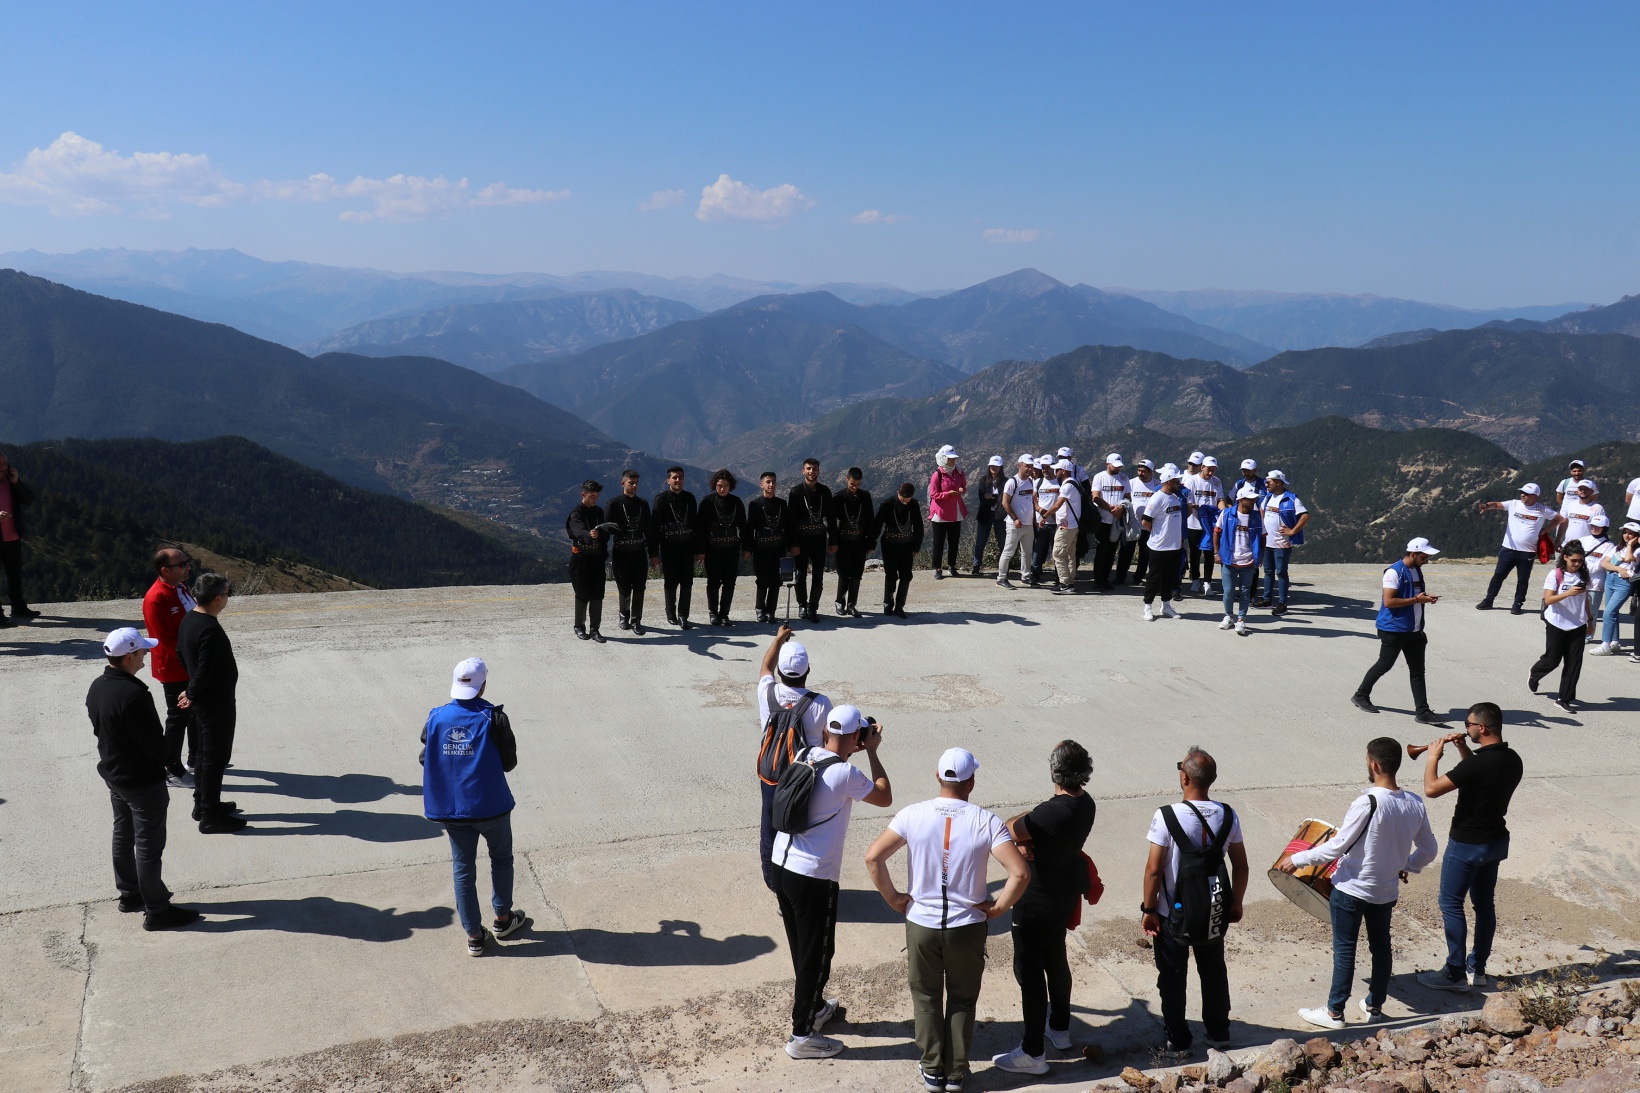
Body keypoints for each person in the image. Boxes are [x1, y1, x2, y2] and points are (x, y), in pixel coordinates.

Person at [865, 748, 1030, 1092]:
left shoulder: (912, 814)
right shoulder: (986, 821)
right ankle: (955, 1073)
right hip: (966, 926)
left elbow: (873, 858)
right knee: (962, 998)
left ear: (938, 776)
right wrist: (998, 908)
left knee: (925, 996)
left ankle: (931, 1069)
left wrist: (895, 899)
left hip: (921, 924)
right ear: (971, 781)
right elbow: (1020, 874)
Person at [1279, 736, 1437, 1028]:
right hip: (1386, 891)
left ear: (1374, 764)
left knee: (1345, 949)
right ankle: (1374, 1006)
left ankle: (1334, 1012)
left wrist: (1298, 860)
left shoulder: (1367, 803)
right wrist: (1406, 865)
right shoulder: (1414, 803)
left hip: (1351, 889)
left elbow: (1337, 847)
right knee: (1381, 948)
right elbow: (1429, 850)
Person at [772, 704, 893, 1060]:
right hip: (812, 876)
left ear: (826, 730)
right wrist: (871, 751)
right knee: (818, 955)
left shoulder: (806, 753)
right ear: (857, 736)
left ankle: (817, 1007)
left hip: (782, 865)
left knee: (803, 947)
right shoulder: (846, 773)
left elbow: (833, 752)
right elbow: (884, 796)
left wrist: (852, 743)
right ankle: (802, 1035)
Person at [992, 741, 1097, 1076]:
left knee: (1029, 973)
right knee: (1056, 960)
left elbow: (1007, 827)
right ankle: (1060, 1029)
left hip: (1035, 901)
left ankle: (1033, 1052)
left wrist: (1022, 836)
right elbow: (1026, 830)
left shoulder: (1052, 811)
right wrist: (1026, 837)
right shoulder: (1086, 804)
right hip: (1062, 896)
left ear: (1054, 771)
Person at [87, 627, 201, 931]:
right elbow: (156, 745)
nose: (146, 655)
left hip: (114, 777)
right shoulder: (135, 695)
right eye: (142, 651)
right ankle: (158, 910)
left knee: (123, 836)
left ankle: (130, 894)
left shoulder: (98, 686)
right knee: (149, 847)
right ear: (129, 657)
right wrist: (171, 754)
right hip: (142, 783)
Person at [1141, 747, 1248, 1055]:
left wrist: (1149, 910)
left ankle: (1177, 1038)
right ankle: (1218, 1033)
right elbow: (1241, 866)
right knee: (1214, 972)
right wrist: (1235, 903)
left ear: (1183, 777)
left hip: (1170, 914)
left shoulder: (1166, 816)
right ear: (1212, 780)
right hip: (1214, 909)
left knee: (1173, 977)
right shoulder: (1228, 814)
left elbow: (1153, 869)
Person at [421, 657, 525, 957]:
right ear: (483, 686)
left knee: (463, 869)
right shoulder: (493, 717)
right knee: (501, 859)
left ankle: (474, 936)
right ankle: (503, 919)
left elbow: (425, 757)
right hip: (492, 807)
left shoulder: (436, 717)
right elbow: (509, 763)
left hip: (453, 811)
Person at [1418, 701, 1523, 991]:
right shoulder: (1513, 759)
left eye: (1469, 725)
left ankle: (1453, 972)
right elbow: (1475, 775)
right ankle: (1477, 969)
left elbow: (1432, 789)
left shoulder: (1478, 765)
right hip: (1495, 842)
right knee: (1484, 905)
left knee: (1451, 903)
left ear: (1482, 728)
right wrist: (1463, 749)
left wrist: (1432, 758)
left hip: (1466, 843)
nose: (1466, 729)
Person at [756, 626, 834, 892]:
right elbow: (829, 739)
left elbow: (765, 666)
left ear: (780, 672)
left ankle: (775, 887)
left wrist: (778, 639)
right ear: (807, 670)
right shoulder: (821, 703)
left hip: (772, 776)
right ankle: (797, 884)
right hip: (803, 779)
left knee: (770, 831)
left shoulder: (767, 692)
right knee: (800, 834)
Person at [176, 572, 246, 834]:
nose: (228, 598)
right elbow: (205, 669)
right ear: (217, 598)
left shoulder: (189, 619)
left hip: (203, 701)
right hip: (215, 704)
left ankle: (204, 804)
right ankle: (210, 817)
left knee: (205, 755)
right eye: (227, 594)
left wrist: (191, 687)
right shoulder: (210, 629)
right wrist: (193, 691)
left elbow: (180, 653)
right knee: (215, 758)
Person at [1352, 538, 1448, 724]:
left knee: (1418, 672)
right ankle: (1360, 695)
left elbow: (1413, 595)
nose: (1426, 560)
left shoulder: (1416, 570)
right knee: (1384, 665)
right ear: (1413, 554)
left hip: (1414, 631)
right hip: (1393, 630)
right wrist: (1417, 600)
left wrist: (1425, 597)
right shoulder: (1393, 573)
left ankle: (1422, 712)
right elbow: (1389, 601)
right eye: (1424, 556)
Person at [142, 548, 198, 786]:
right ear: (165, 570)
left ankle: (197, 758)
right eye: (182, 564)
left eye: (187, 562)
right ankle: (171, 768)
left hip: (191, 664)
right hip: (175, 668)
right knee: (178, 717)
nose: (187, 567)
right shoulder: (156, 598)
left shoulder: (180, 588)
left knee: (196, 712)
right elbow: (165, 640)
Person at [1475, 484, 1561, 614]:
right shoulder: (1514, 504)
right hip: (1508, 549)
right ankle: (1489, 600)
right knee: (1498, 576)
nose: (1522, 495)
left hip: (1528, 551)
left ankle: (1517, 604)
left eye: (1526, 493)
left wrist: (1546, 530)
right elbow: (1497, 505)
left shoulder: (1542, 510)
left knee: (1522, 580)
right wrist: (1487, 506)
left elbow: (1560, 519)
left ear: (1535, 496)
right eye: (1522, 492)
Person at [1529, 540, 1590, 713]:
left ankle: (1564, 698)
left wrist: (1589, 620)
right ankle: (1535, 672)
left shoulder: (1584, 575)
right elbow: (1548, 599)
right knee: (1552, 660)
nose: (1577, 564)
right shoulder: (1555, 574)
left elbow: (1585, 599)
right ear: (1565, 558)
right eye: (1574, 561)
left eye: (1580, 561)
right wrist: (1568, 593)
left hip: (1577, 624)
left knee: (1574, 663)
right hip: (1556, 622)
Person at [606, 470, 653, 635]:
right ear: (622, 484)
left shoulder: (643, 504)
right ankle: (623, 617)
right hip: (621, 552)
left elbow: (649, 529)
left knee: (640, 587)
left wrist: (654, 554)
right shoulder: (613, 504)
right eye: (631, 482)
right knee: (624, 587)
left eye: (636, 483)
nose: (634, 486)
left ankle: (636, 619)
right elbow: (606, 530)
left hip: (639, 552)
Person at [1256, 470, 1309, 616]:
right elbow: (1261, 510)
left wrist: (1292, 531)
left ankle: (1282, 603)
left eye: (1269, 482)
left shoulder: (1291, 499)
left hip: (1282, 544)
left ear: (1278, 482)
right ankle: (1267, 600)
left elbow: (1305, 516)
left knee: (1281, 573)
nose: (1266, 484)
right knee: (1268, 572)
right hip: (1267, 542)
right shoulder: (1267, 497)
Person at [787, 458, 834, 623]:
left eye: (814, 469)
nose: (811, 471)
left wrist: (833, 541)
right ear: (803, 471)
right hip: (800, 539)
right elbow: (790, 521)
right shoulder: (795, 492)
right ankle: (802, 605)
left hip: (820, 539)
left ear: (818, 471)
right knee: (800, 574)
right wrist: (792, 543)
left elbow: (831, 518)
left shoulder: (825, 492)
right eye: (808, 469)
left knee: (818, 574)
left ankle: (813, 607)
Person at [654, 466, 701, 629]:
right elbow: (654, 528)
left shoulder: (690, 498)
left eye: (680, 477)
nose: (678, 480)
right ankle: (670, 613)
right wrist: (654, 553)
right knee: (671, 582)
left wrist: (699, 550)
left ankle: (683, 615)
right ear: (668, 480)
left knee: (687, 582)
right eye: (674, 478)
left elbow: (696, 525)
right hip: (668, 547)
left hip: (687, 547)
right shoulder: (660, 499)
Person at [1212, 486, 1262, 635]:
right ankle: (1229, 616)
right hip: (1229, 560)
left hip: (1248, 561)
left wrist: (1260, 556)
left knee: (1245, 592)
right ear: (1241, 499)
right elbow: (1216, 532)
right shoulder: (1227, 514)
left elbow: (1263, 537)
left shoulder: (1257, 516)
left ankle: (1241, 619)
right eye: (1250, 499)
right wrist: (1216, 553)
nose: (1253, 501)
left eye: (1254, 499)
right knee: (1228, 591)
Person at [700, 469, 748, 626]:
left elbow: (744, 527)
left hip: (732, 549)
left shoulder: (736, 502)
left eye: (726, 486)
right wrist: (700, 551)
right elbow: (699, 529)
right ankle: (713, 613)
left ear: (731, 486)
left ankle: (724, 613)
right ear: (714, 485)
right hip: (712, 549)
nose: (722, 489)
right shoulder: (707, 502)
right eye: (719, 485)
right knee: (713, 582)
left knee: (730, 582)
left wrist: (747, 547)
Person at [1141, 464, 1187, 622]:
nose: (1178, 484)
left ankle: (1166, 605)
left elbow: (1176, 522)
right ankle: (1148, 606)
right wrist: (1158, 534)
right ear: (1168, 482)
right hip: (1158, 547)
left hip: (1174, 547)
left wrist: (1178, 541)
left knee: (1170, 577)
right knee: (1154, 578)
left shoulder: (1174, 498)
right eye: (1176, 482)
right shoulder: (1157, 498)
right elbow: (1145, 521)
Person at [566, 479, 609, 642]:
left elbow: (605, 532)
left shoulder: (599, 511)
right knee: (582, 594)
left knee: (598, 595)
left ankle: (595, 629)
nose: (595, 499)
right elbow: (578, 530)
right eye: (592, 496)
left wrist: (604, 533)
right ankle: (579, 626)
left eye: (597, 496)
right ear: (583, 494)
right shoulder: (576, 512)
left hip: (597, 559)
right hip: (581, 560)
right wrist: (588, 535)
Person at [0, 450, 40, 625]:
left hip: (12, 536)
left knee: (14, 574)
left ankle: (18, 607)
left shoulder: (10, 482)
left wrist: (17, 483)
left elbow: (28, 499)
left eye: (6, 464)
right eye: (0, 464)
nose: (4, 467)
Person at [831, 468, 876, 617]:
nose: (854, 487)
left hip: (860, 541)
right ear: (846, 479)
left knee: (856, 574)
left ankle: (852, 605)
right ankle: (840, 602)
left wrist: (871, 543)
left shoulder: (865, 496)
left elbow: (871, 521)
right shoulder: (838, 498)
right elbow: (832, 522)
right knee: (844, 574)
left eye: (857, 484)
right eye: (852, 484)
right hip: (843, 541)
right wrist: (833, 542)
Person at [746, 472, 789, 625]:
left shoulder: (782, 504)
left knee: (776, 580)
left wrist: (792, 546)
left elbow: (788, 527)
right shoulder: (755, 505)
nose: (771, 485)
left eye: (773, 482)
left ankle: (771, 611)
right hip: (761, 548)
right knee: (762, 579)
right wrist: (748, 548)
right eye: (768, 482)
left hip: (778, 547)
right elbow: (749, 528)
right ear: (761, 484)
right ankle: (759, 608)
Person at [877, 483, 925, 618]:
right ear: (898, 492)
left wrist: (917, 546)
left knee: (906, 576)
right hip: (890, 545)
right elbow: (878, 525)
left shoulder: (914, 504)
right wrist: (870, 544)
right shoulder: (887, 504)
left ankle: (899, 606)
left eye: (907, 498)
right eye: (902, 498)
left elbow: (919, 527)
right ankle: (888, 603)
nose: (904, 501)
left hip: (907, 545)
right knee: (891, 575)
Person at [1593, 522, 1640, 656]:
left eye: (1631, 533)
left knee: (1609, 612)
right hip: (1610, 580)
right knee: (1612, 612)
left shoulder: (1638, 549)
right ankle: (1615, 641)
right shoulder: (1616, 548)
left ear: (1637, 536)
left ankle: (1605, 644)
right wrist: (1619, 568)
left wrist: (1631, 544)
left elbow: (1630, 558)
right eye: (1625, 532)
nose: (1627, 535)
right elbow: (1605, 563)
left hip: (1624, 582)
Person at [1090, 453, 1131, 592]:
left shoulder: (1124, 478)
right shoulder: (1099, 477)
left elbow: (1127, 497)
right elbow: (1095, 497)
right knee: (1102, 551)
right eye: (1115, 466)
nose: (1118, 469)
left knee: (1111, 552)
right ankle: (1098, 580)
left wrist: (1121, 508)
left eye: (1119, 466)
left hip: (1117, 522)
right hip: (1102, 521)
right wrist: (1110, 509)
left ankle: (1106, 578)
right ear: (1107, 464)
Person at [1184, 456, 1224, 597]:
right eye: (1208, 470)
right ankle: (1195, 579)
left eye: (1213, 470)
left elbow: (1219, 499)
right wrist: (1200, 508)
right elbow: (1188, 502)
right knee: (1194, 552)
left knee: (1209, 553)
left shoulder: (1217, 482)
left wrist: (1223, 512)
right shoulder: (1192, 481)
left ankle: (1207, 582)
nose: (1210, 473)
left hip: (1211, 524)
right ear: (1202, 467)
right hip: (1194, 523)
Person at [997, 455, 1037, 589]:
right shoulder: (1012, 482)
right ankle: (1001, 578)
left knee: (1027, 552)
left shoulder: (1031, 482)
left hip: (1028, 524)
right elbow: (1005, 502)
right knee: (1008, 551)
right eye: (1027, 466)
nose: (1030, 469)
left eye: (1031, 466)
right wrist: (1015, 519)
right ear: (1019, 465)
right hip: (1015, 524)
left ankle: (1026, 577)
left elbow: (1032, 501)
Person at [928, 445, 968, 580]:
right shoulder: (937, 474)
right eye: (950, 459)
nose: (953, 461)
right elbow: (933, 494)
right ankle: (938, 568)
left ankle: (952, 565)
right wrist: (947, 494)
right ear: (944, 458)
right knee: (939, 542)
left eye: (954, 458)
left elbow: (964, 486)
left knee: (954, 541)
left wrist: (962, 490)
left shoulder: (959, 471)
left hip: (955, 511)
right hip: (940, 513)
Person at [1045, 458, 1082, 594]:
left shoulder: (1067, 486)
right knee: (1070, 555)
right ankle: (1069, 582)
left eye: (1057, 469)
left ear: (1064, 471)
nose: (1055, 471)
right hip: (1073, 524)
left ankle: (1065, 584)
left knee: (1058, 554)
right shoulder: (1074, 483)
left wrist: (1044, 516)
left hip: (1066, 526)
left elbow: (1057, 505)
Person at [1118, 459, 1157, 586]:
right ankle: (1120, 576)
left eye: (1144, 471)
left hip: (1148, 524)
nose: (1140, 473)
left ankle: (1138, 577)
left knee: (1145, 553)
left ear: (1151, 472)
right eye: (1139, 470)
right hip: (1131, 524)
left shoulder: (1157, 485)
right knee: (1126, 551)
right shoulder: (1131, 483)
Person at [970, 456, 1007, 576]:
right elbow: (982, 497)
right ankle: (976, 566)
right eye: (992, 466)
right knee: (980, 542)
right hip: (985, 515)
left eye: (996, 466)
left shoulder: (1006, 481)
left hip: (1000, 516)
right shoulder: (983, 480)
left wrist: (991, 496)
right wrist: (996, 498)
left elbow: (1004, 498)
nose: (994, 468)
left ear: (1000, 467)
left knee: (1003, 542)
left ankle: (1004, 567)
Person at [1582, 515, 1615, 645]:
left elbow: (1601, 564)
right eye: (1593, 526)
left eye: (1598, 527)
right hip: (1579, 579)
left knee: (1592, 611)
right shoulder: (1582, 540)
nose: (1595, 528)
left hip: (1596, 582)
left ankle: (1588, 635)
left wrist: (1583, 568)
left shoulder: (1610, 546)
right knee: (1576, 608)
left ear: (1604, 528)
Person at [1030, 456, 1058, 588]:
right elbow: (1034, 499)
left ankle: (1059, 576)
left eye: (1047, 467)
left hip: (1056, 523)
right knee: (1038, 549)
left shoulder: (1060, 482)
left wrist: (1051, 513)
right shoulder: (1038, 482)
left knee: (1056, 551)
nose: (1045, 470)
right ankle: (1035, 575)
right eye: (1043, 467)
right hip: (1041, 522)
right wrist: (1039, 509)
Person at [1561, 480, 1605, 545]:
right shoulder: (1570, 505)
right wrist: (1558, 540)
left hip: (1586, 546)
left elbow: (1601, 529)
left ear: (1592, 491)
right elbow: (1565, 522)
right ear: (1577, 491)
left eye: (1586, 489)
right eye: (1580, 489)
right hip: (1568, 544)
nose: (1583, 491)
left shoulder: (1598, 508)